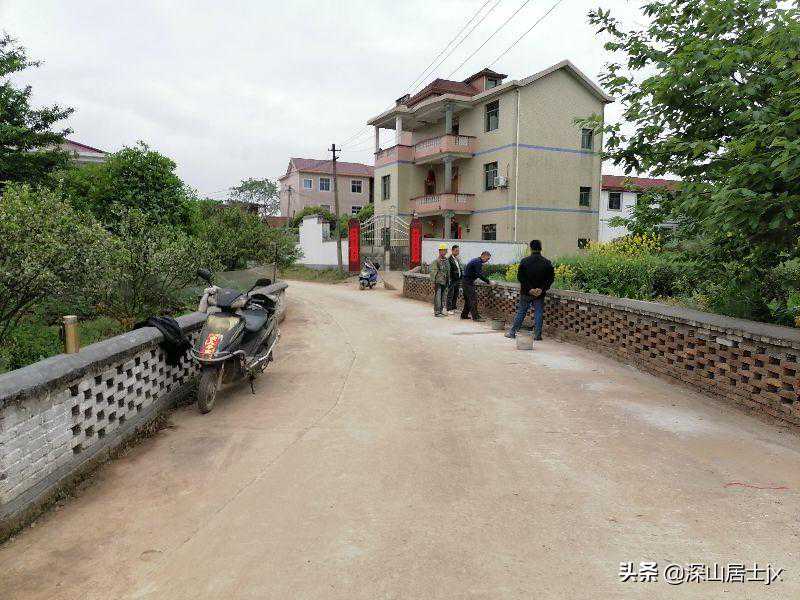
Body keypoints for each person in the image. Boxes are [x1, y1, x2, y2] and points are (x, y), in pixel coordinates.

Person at [505, 239, 554, 340]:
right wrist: (541, 289)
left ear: (530, 248)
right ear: (541, 248)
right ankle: (537, 335)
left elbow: (520, 277)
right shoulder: (547, 262)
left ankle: (512, 332)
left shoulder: (525, 261)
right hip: (539, 294)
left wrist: (530, 289)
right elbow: (550, 279)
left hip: (526, 293)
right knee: (538, 313)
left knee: (521, 312)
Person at [461, 251, 496, 321]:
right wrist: (489, 281)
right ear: (483, 256)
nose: (487, 261)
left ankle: (464, 315)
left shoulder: (476, 260)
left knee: (468, 300)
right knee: (473, 299)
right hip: (468, 283)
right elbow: (479, 274)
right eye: (487, 259)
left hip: (466, 281)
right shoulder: (478, 262)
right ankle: (476, 317)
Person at [429, 243, 451, 317]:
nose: (445, 252)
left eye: (445, 250)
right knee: (438, 297)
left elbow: (448, 271)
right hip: (438, 282)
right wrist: (433, 282)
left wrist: (448, 280)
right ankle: (437, 312)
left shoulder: (446, 260)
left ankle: (441, 310)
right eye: (444, 250)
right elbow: (433, 272)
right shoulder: (436, 261)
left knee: (443, 297)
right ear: (440, 251)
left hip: (445, 282)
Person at [446, 244, 463, 315]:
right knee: (450, 294)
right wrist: (449, 279)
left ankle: (453, 307)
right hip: (452, 279)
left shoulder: (457, 259)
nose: (458, 252)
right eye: (456, 251)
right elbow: (448, 270)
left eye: (458, 251)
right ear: (452, 251)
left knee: (456, 294)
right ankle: (449, 308)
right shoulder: (449, 259)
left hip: (457, 279)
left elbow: (459, 268)